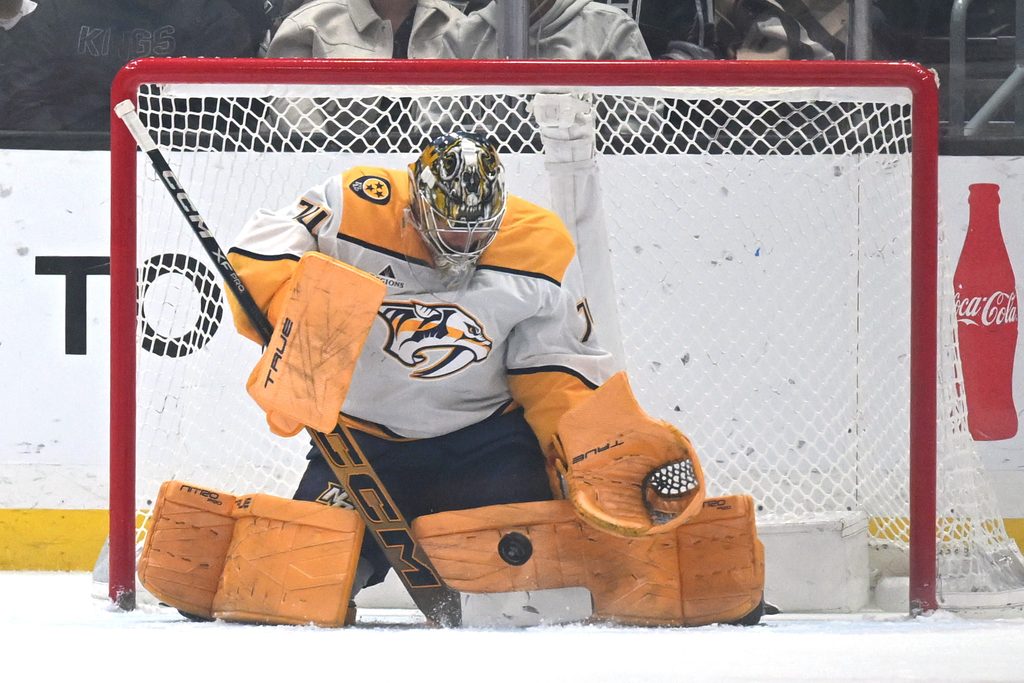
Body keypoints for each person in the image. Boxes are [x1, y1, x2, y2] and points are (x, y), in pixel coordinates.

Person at [225, 129, 617, 594]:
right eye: (451, 225)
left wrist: (582, 454)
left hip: (485, 448)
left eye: (478, 227)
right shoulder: (357, 205)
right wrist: (287, 305)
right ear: (417, 203)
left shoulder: (539, 245)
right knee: (304, 585)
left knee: (529, 589)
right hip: (360, 449)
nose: (464, 240)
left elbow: (557, 371)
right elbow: (262, 246)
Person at [0, 0, 264, 132]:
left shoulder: (216, 19)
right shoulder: (55, 10)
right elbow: (20, 100)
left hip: (175, 171)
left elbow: (229, 122)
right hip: (62, 162)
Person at [437, 0, 651, 60]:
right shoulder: (461, 37)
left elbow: (640, 139)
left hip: (587, 169)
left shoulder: (612, 30)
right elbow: (432, 134)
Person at [265, 0, 463, 59]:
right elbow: (297, 134)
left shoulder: (458, 26)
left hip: (436, 157)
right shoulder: (308, 25)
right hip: (329, 158)